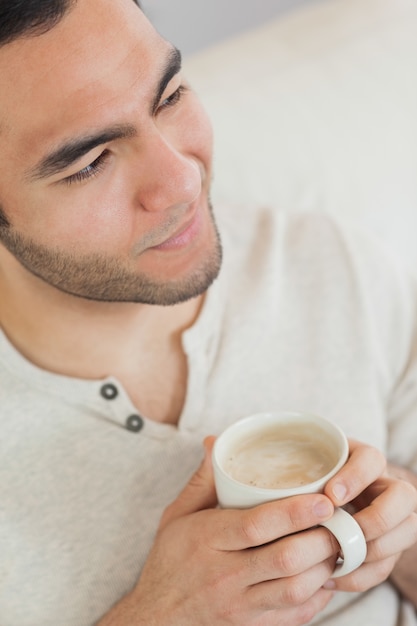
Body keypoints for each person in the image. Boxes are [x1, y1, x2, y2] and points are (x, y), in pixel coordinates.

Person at [0, 0, 416, 625]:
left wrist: (399, 533)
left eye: (168, 96)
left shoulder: (328, 264)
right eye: (91, 162)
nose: (183, 180)